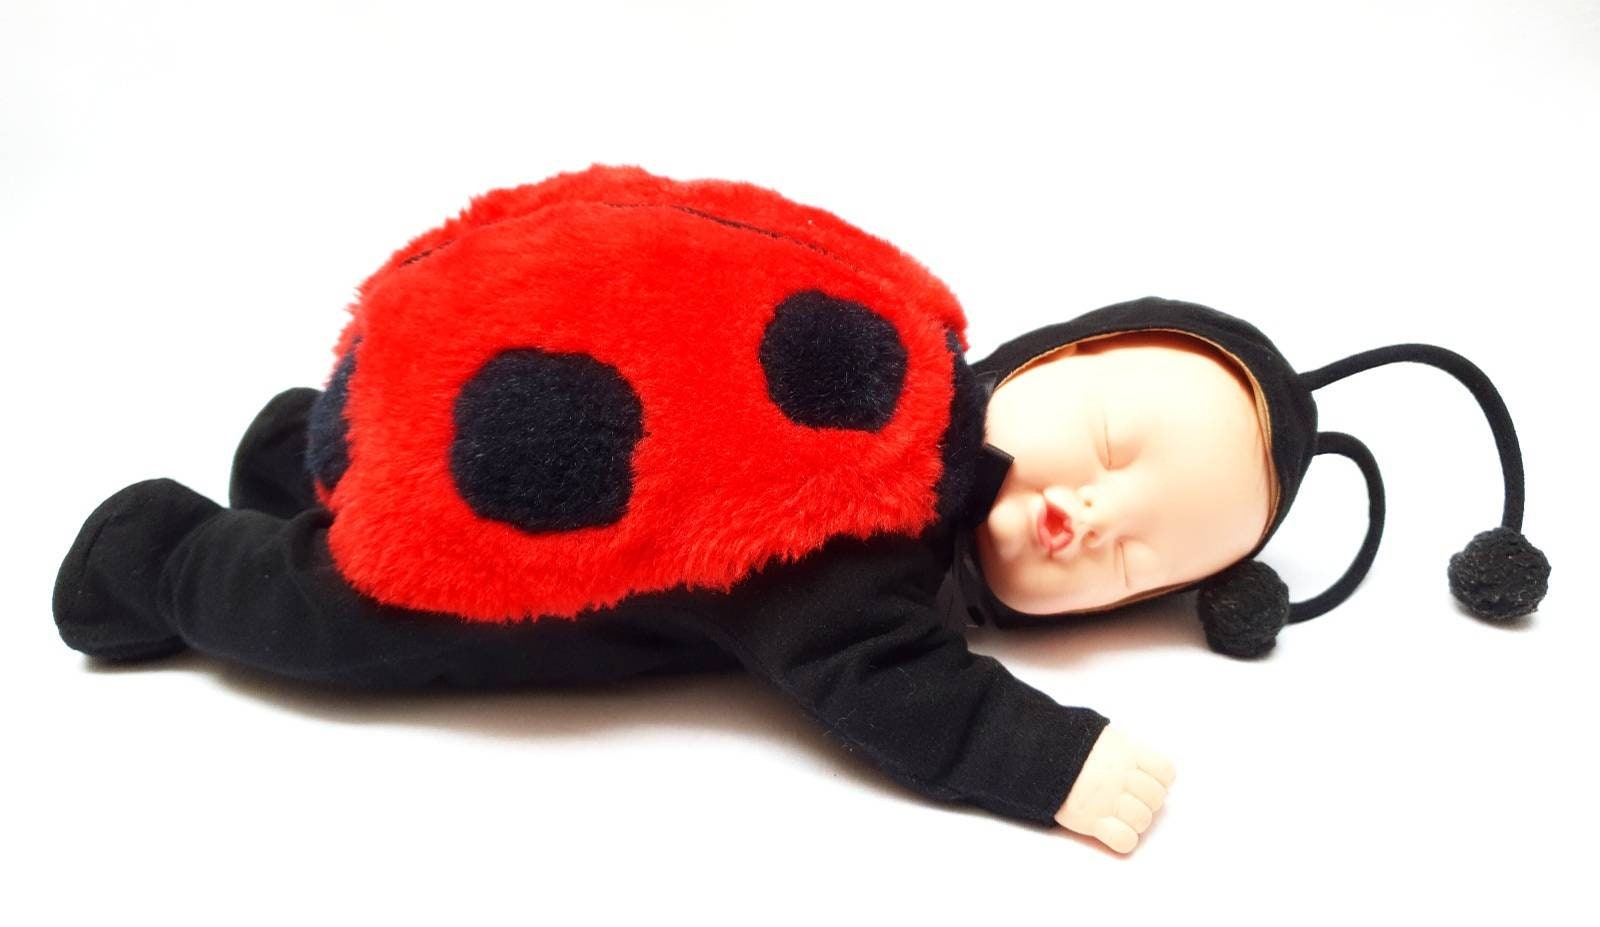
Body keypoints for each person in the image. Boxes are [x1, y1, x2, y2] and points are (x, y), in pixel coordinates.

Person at [52, 167, 1548, 856]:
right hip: (479, 525)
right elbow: (876, 676)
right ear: (1044, 359)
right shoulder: (864, 509)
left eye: (1144, 555)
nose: (1095, 514)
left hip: (448, 384)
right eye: (1108, 444)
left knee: (362, 465)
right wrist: (1050, 758)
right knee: (332, 621)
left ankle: (295, 445)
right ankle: (157, 555)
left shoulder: (890, 322)